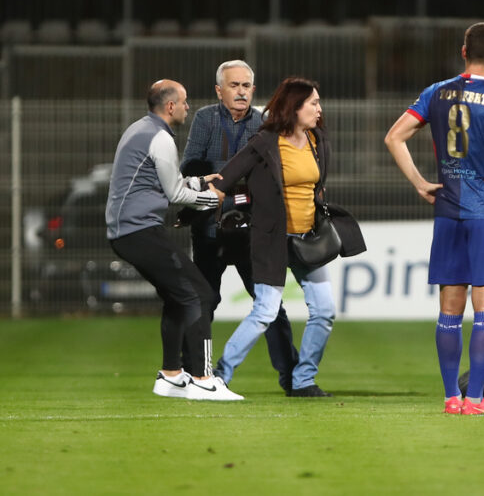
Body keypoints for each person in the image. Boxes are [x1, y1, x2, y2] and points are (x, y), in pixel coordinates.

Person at [384, 22, 484, 416]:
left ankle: (450, 397)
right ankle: (477, 399)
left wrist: (419, 182)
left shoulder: (435, 92)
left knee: (449, 308)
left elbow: (394, 136)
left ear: (464, 52)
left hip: (447, 209)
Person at [213, 77, 363, 398]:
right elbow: (225, 179)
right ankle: (219, 376)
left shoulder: (316, 140)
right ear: (294, 107)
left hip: (308, 241)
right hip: (272, 241)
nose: (319, 110)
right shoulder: (264, 142)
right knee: (265, 312)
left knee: (324, 311)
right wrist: (200, 197)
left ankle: (303, 380)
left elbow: (317, 187)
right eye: (313, 103)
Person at [106, 80, 242, 401]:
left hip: (127, 232)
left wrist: (198, 180)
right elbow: (176, 193)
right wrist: (216, 198)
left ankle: (170, 376)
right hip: (138, 231)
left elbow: (164, 180)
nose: (187, 107)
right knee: (201, 295)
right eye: (184, 102)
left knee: (179, 297)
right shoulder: (160, 138)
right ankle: (203, 378)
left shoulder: (139, 129)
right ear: (170, 107)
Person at [180, 59, 299, 394]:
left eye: (246, 86)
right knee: (203, 301)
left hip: (252, 229)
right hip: (210, 227)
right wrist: (235, 177)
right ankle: (194, 373)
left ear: (254, 90)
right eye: (234, 85)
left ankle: (292, 377)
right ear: (219, 90)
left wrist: (227, 181)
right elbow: (190, 165)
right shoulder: (204, 118)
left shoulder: (266, 122)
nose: (241, 91)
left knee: (270, 305)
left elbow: (274, 170)